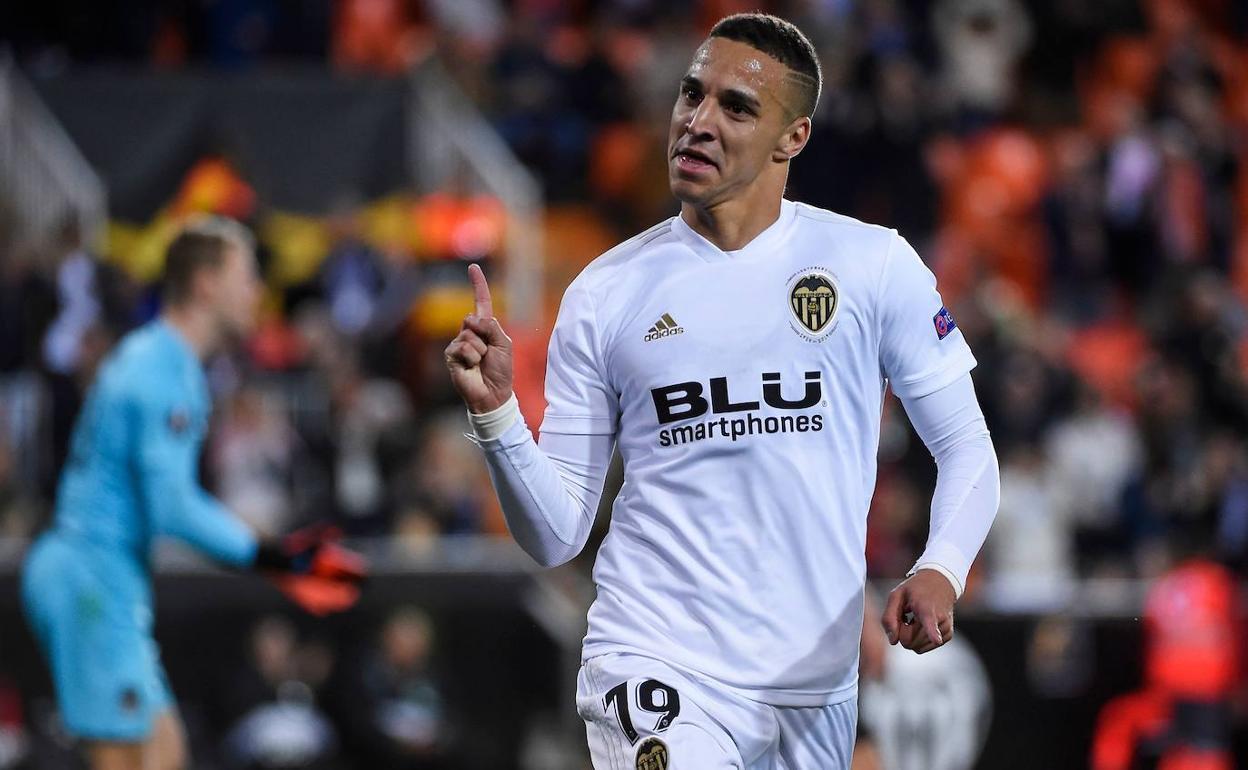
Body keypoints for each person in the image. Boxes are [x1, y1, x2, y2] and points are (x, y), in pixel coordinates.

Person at [445, 13, 1000, 769]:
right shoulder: (605, 293)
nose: (698, 121)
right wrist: (498, 416)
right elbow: (556, 534)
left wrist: (942, 566)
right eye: (691, 94)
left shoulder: (872, 266)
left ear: (792, 138)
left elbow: (967, 447)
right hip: (656, 657)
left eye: (736, 106)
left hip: (814, 684)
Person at [21, 217, 365, 770]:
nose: (257, 291)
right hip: (91, 581)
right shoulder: (159, 370)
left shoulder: (163, 361)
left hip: (102, 579)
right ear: (206, 284)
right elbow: (172, 507)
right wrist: (279, 557)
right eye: (247, 276)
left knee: (166, 753)